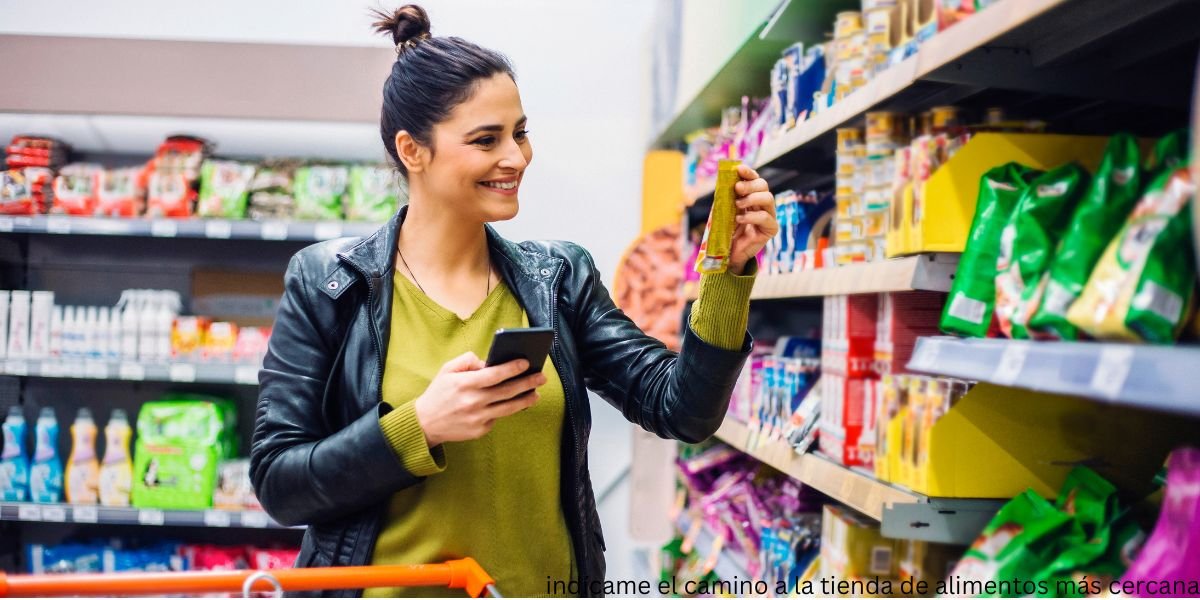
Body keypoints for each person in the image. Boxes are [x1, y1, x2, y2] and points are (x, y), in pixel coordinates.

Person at [249, 5, 778, 597]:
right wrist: (419, 426)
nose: (517, 157)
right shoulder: (330, 283)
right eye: (486, 140)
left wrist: (726, 275)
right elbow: (279, 483)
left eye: (520, 132)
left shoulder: (557, 277)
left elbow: (681, 410)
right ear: (411, 150)